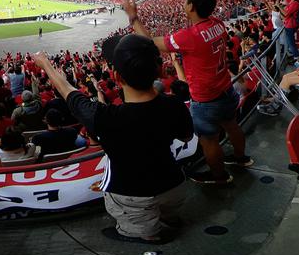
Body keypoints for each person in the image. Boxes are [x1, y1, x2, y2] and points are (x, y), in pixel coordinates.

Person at [36, 35, 194, 243]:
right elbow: (186, 136)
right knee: (168, 209)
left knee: (145, 232)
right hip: (175, 186)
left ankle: (144, 234)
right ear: (159, 70)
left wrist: (46, 64)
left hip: (133, 198)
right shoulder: (174, 105)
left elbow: (67, 90)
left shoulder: (104, 117)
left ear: (118, 78)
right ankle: (168, 217)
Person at [126, 0, 251, 185]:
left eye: (186, 1)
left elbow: (148, 42)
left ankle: (219, 176)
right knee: (231, 124)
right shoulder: (218, 24)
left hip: (205, 98)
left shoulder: (189, 37)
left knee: (209, 139)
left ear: (192, 6)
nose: (184, 4)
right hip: (226, 88)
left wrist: (134, 17)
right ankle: (241, 158)